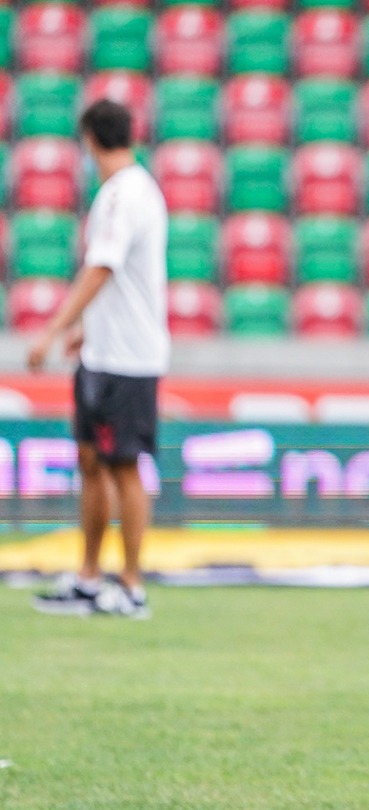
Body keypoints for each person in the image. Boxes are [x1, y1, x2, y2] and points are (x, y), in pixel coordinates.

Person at [29, 100, 170, 620]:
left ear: (90, 140)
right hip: (103, 352)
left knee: (124, 466)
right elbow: (127, 278)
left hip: (129, 358)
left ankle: (131, 586)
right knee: (91, 461)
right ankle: (89, 577)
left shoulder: (124, 195)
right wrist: (87, 330)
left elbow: (102, 269)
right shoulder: (130, 191)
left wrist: (53, 329)